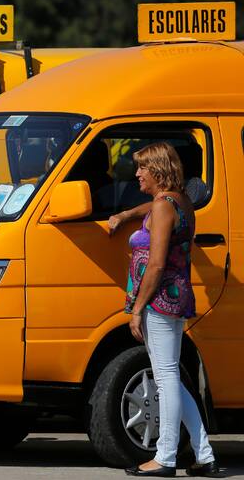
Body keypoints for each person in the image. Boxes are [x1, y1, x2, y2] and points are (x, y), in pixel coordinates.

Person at [108, 142, 218, 478]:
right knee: (170, 375)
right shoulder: (177, 200)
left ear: (157, 170)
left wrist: (137, 308)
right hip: (175, 296)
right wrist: (128, 214)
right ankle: (204, 454)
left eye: (142, 168)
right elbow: (154, 208)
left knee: (166, 376)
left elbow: (155, 265)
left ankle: (165, 457)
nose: (137, 173)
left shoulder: (163, 206)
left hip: (159, 299)